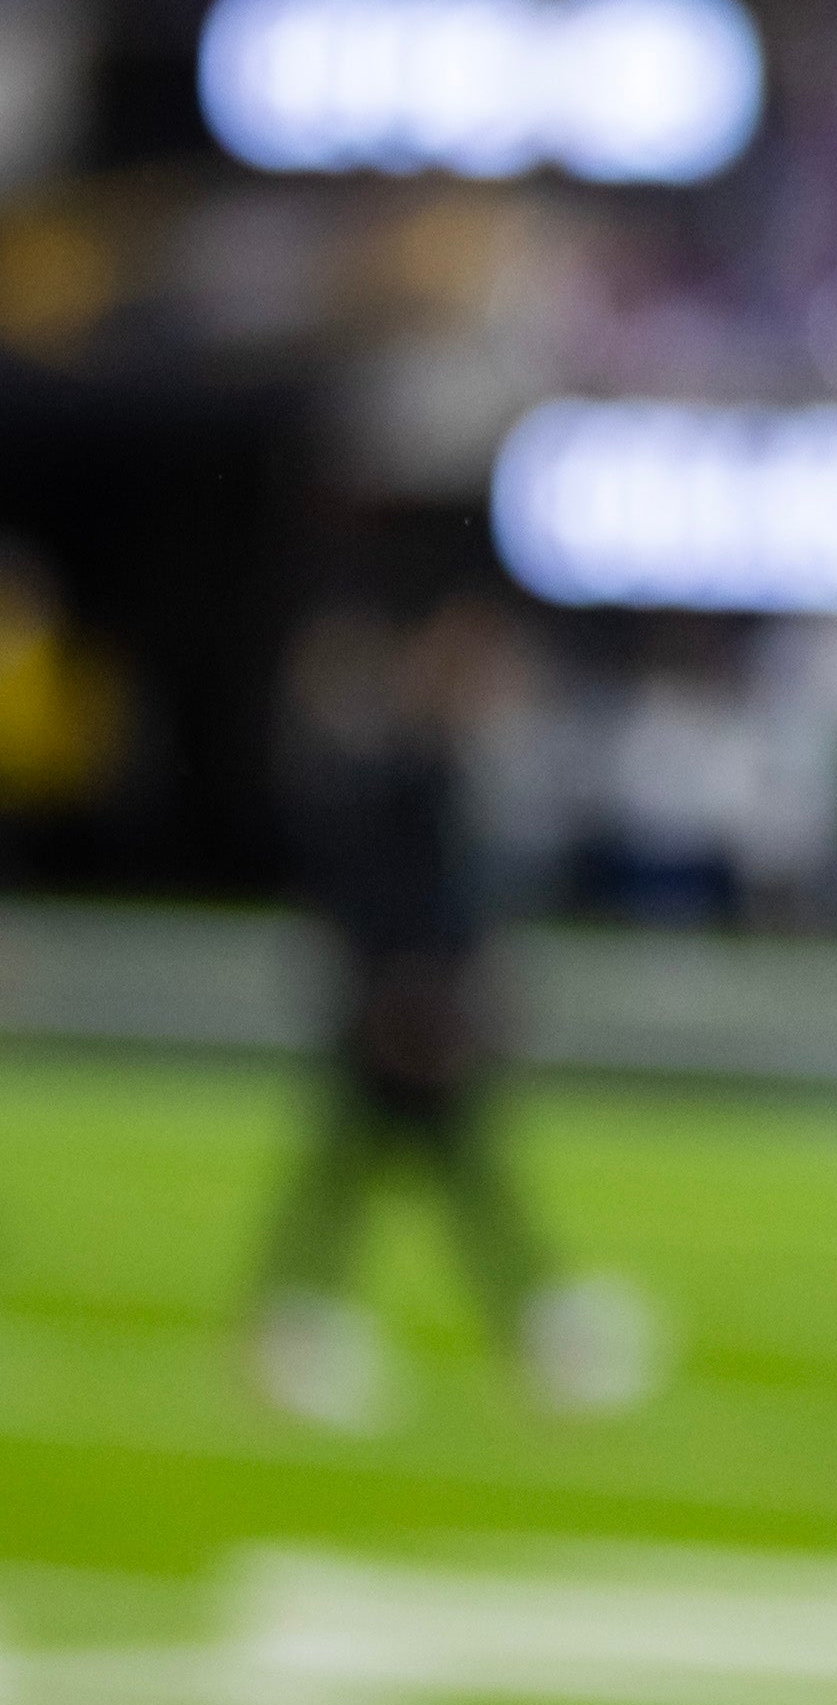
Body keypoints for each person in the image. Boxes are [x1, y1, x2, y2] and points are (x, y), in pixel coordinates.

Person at [249, 591, 656, 1427]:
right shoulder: (412, 768)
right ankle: (533, 1334)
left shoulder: (431, 763)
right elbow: (388, 897)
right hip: (401, 1012)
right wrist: (410, 993)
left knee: (384, 1175)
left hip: (402, 1005)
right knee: (422, 1177)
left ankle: (293, 1327)